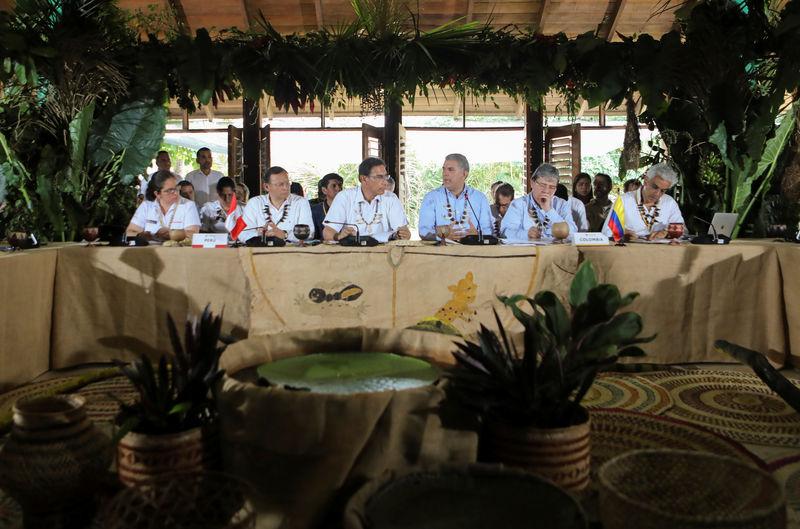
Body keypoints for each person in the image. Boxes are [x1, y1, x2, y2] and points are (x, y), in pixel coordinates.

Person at [323, 157, 410, 243]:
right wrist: (338, 236)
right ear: (364, 179)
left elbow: (403, 231)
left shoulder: (391, 198)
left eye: (386, 176)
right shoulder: (344, 197)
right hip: (352, 253)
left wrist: (403, 234)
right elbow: (327, 232)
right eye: (379, 177)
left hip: (383, 253)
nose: (385, 182)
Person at [417, 154, 493, 241]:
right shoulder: (431, 198)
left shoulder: (480, 198)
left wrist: (477, 235)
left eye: (450, 170)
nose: (445, 174)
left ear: (464, 174)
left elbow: (489, 231)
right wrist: (442, 236)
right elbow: (423, 231)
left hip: (472, 251)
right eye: (444, 169)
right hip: (442, 252)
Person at [602, 163, 684, 240]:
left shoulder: (669, 202)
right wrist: (621, 234)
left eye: (663, 191)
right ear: (646, 181)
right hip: (629, 251)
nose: (657, 193)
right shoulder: (624, 200)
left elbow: (682, 231)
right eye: (655, 187)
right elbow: (607, 232)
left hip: (660, 252)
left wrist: (667, 233)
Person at [500, 163, 578, 240]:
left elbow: (572, 232)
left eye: (552, 187)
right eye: (542, 185)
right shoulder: (518, 204)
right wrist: (525, 234)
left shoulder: (561, 204)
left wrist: (549, 210)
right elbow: (505, 232)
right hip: (528, 251)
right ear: (532, 183)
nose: (546, 191)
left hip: (555, 251)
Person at [240, 167, 314, 243]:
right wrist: (258, 234)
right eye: (280, 184)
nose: (285, 188)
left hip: (292, 252)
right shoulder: (255, 203)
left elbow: (310, 233)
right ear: (266, 187)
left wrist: (285, 234)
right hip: (261, 252)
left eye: (287, 183)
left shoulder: (300, 202)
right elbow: (242, 234)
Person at [126, 170, 200, 241]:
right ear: (157, 194)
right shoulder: (146, 206)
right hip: (150, 251)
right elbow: (130, 233)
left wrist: (171, 234)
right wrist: (144, 235)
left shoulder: (187, 205)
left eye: (176, 188)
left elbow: (193, 234)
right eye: (170, 190)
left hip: (179, 251)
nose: (175, 193)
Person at [311, 173, 343, 240]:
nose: (338, 188)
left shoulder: (349, 208)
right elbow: (313, 237)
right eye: (334, 186)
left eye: (340, 185)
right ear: (324, 190)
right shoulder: (315, 211)